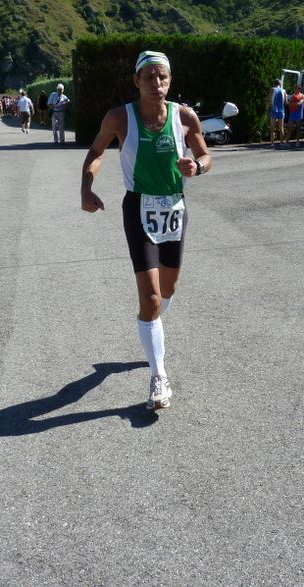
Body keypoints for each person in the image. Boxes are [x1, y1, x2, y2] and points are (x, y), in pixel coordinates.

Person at [80, 51, 211, 410]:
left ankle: (151, 328)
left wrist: (197, 167)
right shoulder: (119, 117)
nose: (157, 83)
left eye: (162, 76)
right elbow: (96, 152)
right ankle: (158, 376)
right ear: (136, 81)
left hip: (175, 209)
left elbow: (206, 155)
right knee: (151, 298)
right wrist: (86, 188)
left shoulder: (185, 117)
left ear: (170, 80)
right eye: (149, 77)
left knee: (168, 289)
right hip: (138, 209)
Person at [268, 79, 287, 148]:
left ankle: (272, 143)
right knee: (281, 128)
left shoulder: (272, 89)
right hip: (281, 110)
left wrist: (267, 108)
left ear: (275, 84)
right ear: (280, 84)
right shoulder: (284, 91)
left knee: (272, 128)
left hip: (274, 110)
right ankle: (281, 143)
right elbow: (285, 102)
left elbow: (269, 99)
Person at [286, 84, 304, 148]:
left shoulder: (302, 95)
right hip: (292, 113)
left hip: (298, 114)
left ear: (299, 89)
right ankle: (287, 142)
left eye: (297, 88)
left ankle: (297, 142)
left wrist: (292, 104)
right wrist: (292, 104)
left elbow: (299, 103)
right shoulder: (292, 96)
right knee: (289, 128)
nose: (295, 90)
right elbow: (288, 104)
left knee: (298, 128)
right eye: (295, 88)